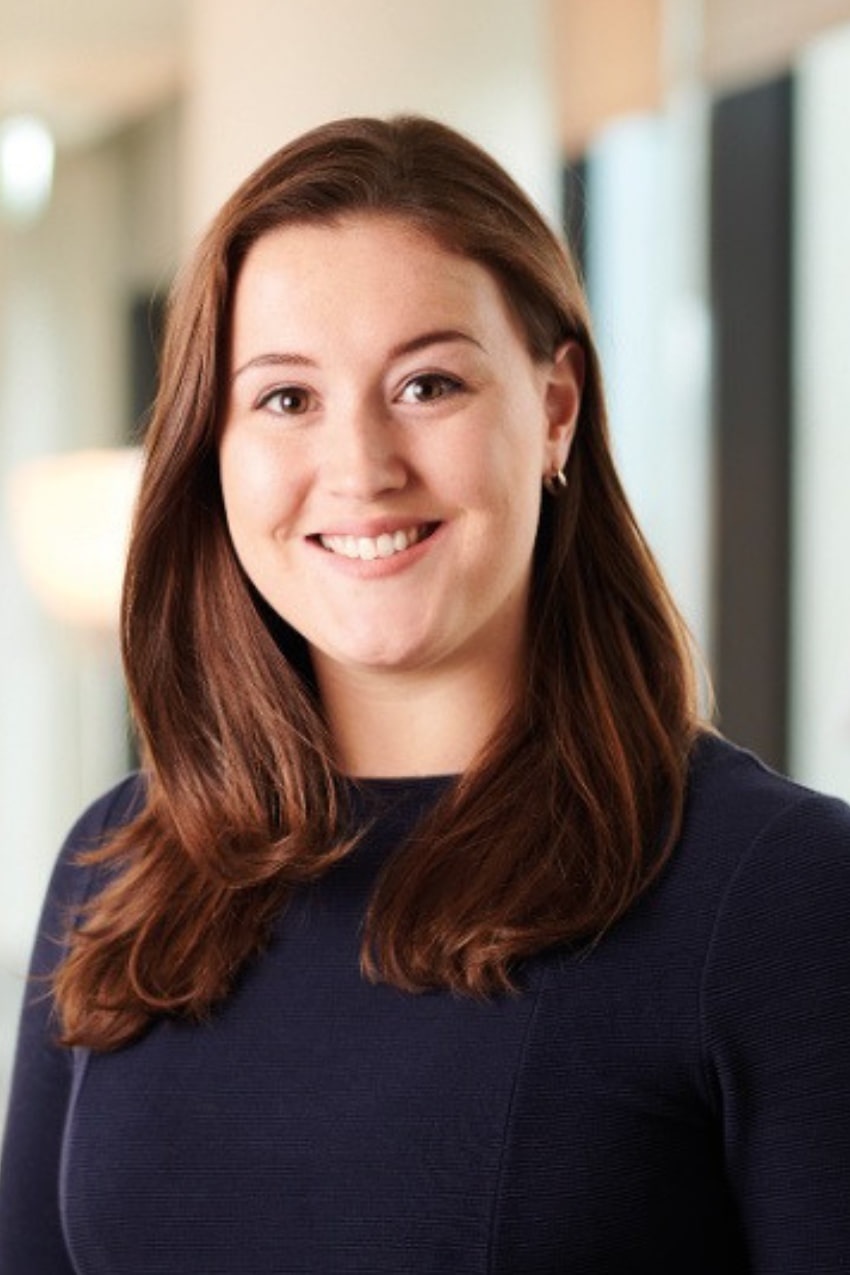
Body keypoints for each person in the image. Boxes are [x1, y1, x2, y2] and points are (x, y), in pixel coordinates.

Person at [1, 115, 849, 1275]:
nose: (359, 467)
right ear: (214, 443)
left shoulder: (780, 892)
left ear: (554, 408)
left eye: (427, 383)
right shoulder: (120, 866)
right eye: (286, 399)